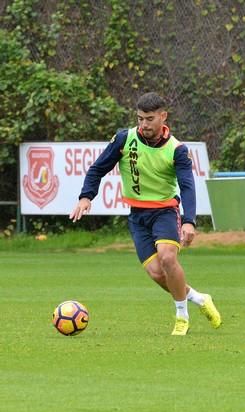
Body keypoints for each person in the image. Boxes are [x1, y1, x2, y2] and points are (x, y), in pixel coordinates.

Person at [69, 92, 221, 336]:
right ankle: (200, 299)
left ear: (163, 116)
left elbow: (187, 186)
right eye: (140, 118)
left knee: (168, 258)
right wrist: (86, 196)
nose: (144, 124)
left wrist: (189, 221)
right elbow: (97, 168)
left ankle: (182, 316)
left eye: (149, 119)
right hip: (137, 215)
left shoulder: (177, 150)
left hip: (165, 211)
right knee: (157, 273)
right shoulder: (124, 139)